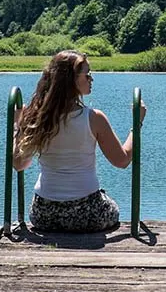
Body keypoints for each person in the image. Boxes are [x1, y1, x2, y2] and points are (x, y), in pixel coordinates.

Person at [13, 50, 146, 233]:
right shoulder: (94, 118)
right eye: (87, 75)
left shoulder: (35, 117)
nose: (91, 79)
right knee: (110, 204)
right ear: (71, 80)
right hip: (87, 215)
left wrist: (17, 125)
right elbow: (122, 160)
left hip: (43, 214)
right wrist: (136, 124)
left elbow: (19, 164)